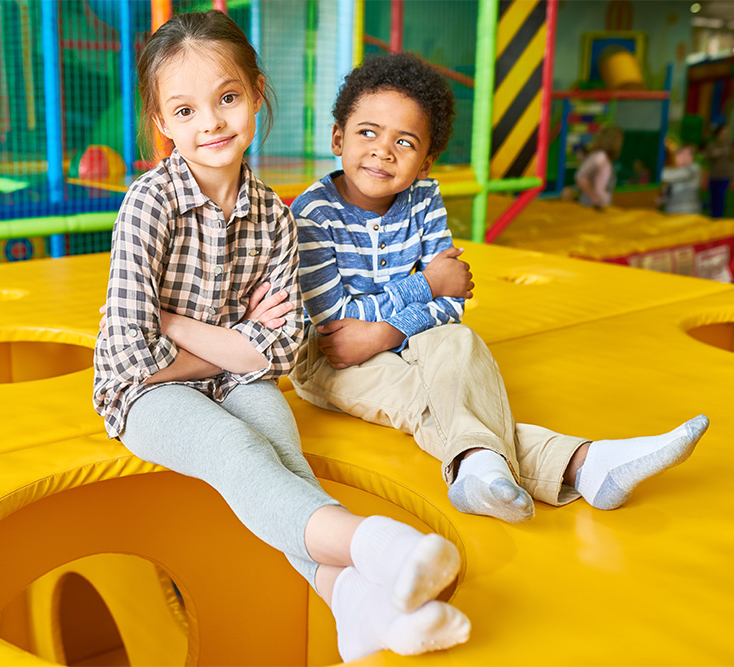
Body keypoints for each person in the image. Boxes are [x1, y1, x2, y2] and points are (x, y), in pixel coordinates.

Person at [93, 12, 469, 661]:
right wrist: (236, 336)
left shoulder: (272, 211)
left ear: (256, 93)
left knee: (286, 460)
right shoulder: (148, 205)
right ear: (162, 122)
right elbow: (131, 354)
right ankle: (375, 546)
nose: (209, 123)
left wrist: (180, 324)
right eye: (185, 110)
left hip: (235, 376)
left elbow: (282, 346)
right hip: (141, 395)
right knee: (238, 449)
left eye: (228, 99)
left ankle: (355, 605)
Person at [289, 52, 709, 526]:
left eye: (404, 142)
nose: (383, 150)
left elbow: (451, 306)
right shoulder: (312, 214)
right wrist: (424, 284)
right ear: (337, 137)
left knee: (460, 342)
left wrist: (387, 330)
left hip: (402, 343)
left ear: (426, 162)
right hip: (328, 359)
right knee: (431, 400)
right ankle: (581, 463)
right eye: (368, 132)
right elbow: (338, 327)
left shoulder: (424, 198)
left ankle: (483, 469)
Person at [575, 125, 625, 210]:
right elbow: (580, 177)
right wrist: (595, 198)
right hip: (592, 207)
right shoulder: (600, 157)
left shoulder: (603, 157)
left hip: (599, 206)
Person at [660, 143, 703, 215]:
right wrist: (664, 199)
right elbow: (671, 193)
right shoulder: (675, 170)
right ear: (675, 156)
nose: (685, 157)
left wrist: (657, 170)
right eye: (681, 153)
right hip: (672, 212)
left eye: (689, 154)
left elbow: (668, 176)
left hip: (689, 214)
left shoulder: (693, 168)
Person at [703, 124, 734, 218]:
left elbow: (733, 159)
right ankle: (713, 214)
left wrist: (733, 172)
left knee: (720, 195)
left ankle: (718, 216)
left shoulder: (729, 145)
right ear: (718, 134)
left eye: (726, 133)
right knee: (713, 196)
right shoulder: (712, 145)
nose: (725, 135)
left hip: (726, 175)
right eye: (723, 132)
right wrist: (714, 154)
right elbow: (706, 157)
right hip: (714, 174)